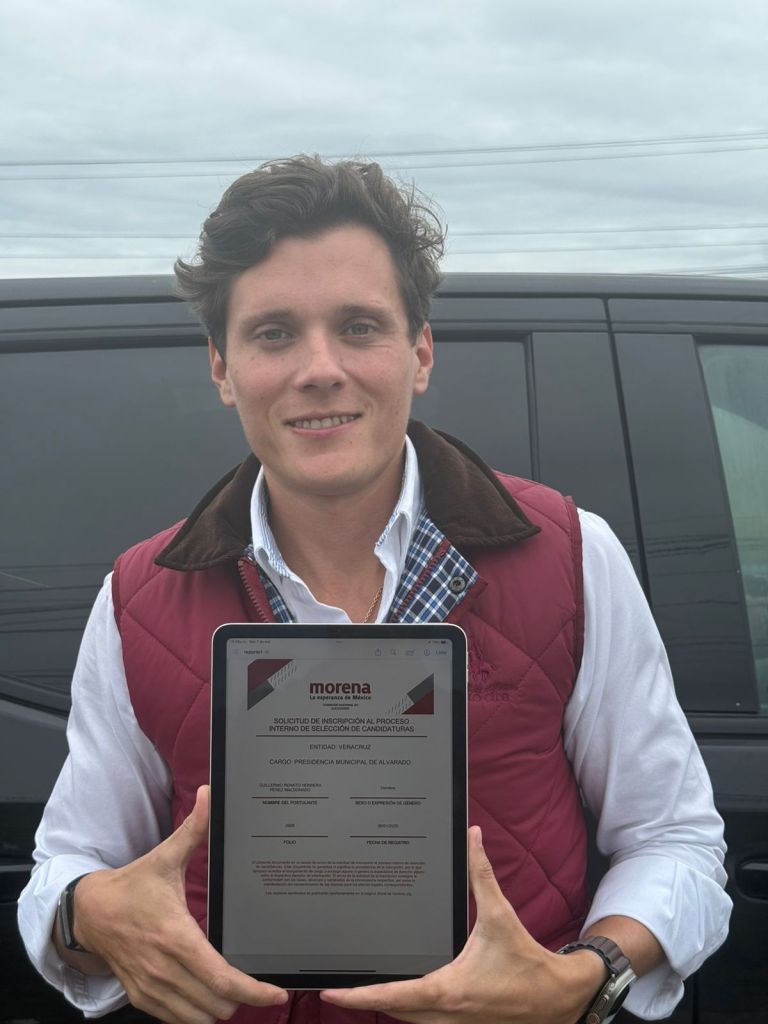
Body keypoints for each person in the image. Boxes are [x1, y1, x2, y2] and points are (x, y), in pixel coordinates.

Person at [18, 156, 730, 1024]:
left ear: (420, 351)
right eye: (273, 333)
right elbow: (66, 864)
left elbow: (673, 839)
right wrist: (85, 911)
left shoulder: (573, 557)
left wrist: (586, 978)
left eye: (359, 327)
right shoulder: (139, 599)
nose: (320, 368)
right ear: (221, 366)